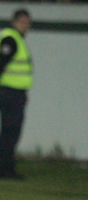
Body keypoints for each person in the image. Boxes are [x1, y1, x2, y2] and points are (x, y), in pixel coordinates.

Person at [0, 8, 32, 180]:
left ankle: (5, 167)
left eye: (27, 23)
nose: (26, 26)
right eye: (23, 22)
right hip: (10, 93)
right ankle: (5, 169)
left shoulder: (13, 38)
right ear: (14, 22)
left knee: (9, 132)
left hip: (12, 92)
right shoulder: (11, 39)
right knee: (10, 132)